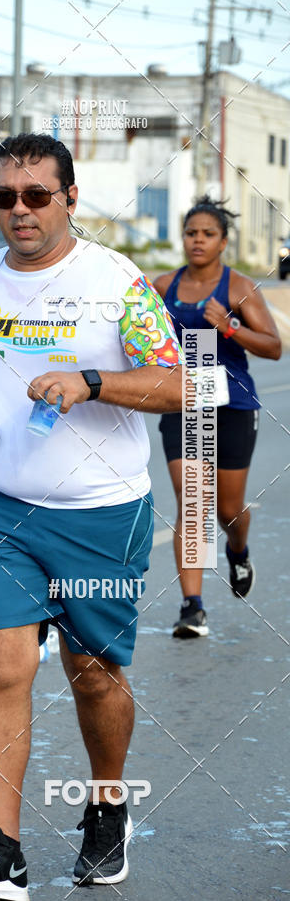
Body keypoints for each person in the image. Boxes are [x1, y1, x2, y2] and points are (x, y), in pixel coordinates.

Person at [0, 133, 183, 899]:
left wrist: (91, 382)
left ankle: (107, 804)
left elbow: (181, 384)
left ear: (70, 198)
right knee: (2, 665)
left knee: (93, 674)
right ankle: (1, 850)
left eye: (37, 195)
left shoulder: (116, 281)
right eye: (5, 197)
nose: (21, 210)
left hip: (100, 511)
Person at [154, 196, 281, 639]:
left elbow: (273, 347)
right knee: (192, 501)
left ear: (223, 242)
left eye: (208, 234)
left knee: (228, 510)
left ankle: (237, 549)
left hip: (233, 406)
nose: (198, 241)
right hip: (184, 403)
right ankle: (192, 607)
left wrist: (229, 326)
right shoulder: (164, 286)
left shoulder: (237, 287)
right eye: (191, 233)